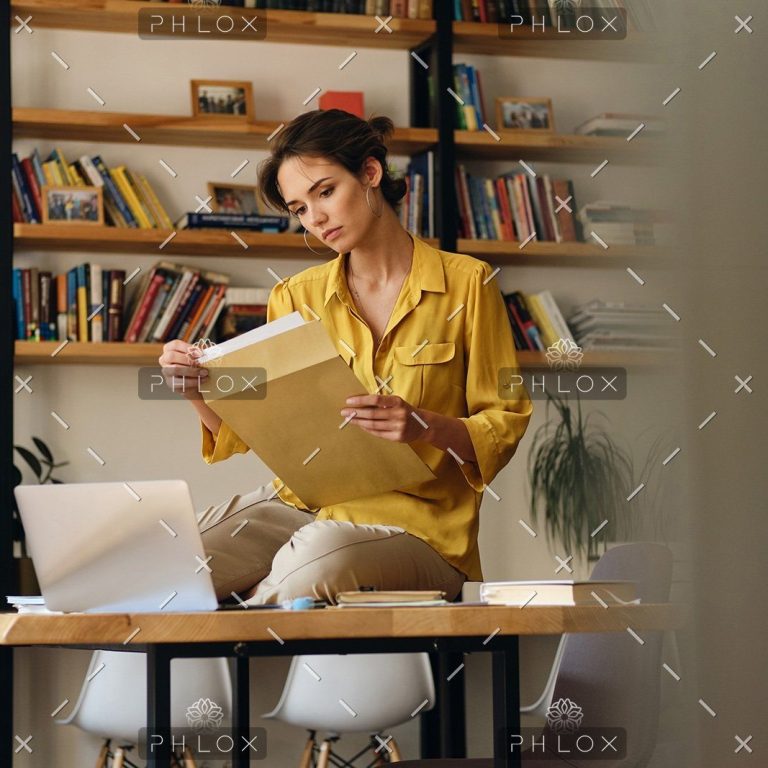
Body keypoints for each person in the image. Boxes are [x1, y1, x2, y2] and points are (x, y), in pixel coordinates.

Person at [158, 109, 533, 605]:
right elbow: (255, 429)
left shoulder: (469, 283)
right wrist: (193, 389)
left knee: (313, 561)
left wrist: (423, 426)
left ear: (370, 173)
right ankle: (259, 600)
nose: (315, 218)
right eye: (299, 208)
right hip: (303, 507)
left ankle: (255, 602)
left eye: (325, 192)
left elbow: (503, 422)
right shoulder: (294, 296)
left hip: (422, 528)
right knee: (167, 561)